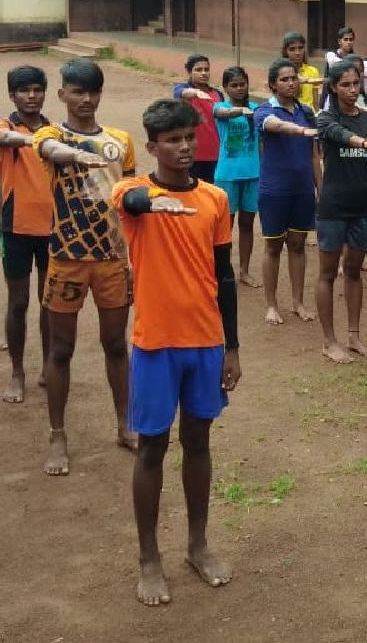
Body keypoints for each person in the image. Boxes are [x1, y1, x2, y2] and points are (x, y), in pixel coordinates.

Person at [112, 99, 240, 607]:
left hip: (206, 341)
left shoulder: (214, 199)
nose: (183, 147)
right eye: (172, 140)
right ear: (152, 147)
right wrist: (156, 201)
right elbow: (133, 201)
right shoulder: (130, 193)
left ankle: (198, 544)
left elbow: (224, 275)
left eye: (189, 137)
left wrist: (232, 346)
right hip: (155, 344)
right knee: (152, 447)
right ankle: (149, 558)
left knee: (199, 441)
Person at [33, 58, 138, 477]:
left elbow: (128, 190)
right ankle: (57, 435)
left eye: (93, 91)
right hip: (67, 258)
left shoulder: (121, 140)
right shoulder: (50, 133)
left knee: (116, 344)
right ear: (62, 94)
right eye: (77, 91)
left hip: (113, 258)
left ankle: (125, 423)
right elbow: (49, 151)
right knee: (61, 350)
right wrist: (79, 153)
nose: (86, 99)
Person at [0, 66, 54, 403]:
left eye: (37, 90)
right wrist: (36, 141)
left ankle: (46, 366)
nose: (31, 96)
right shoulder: (4, 126)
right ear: (12, 95)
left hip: (53, 228)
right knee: (18, 302)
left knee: (49, 303)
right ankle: (17, 371)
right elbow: (2, 138)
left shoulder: (57, 130)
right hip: (16, 228)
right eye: (23, 90)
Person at [313, 60, 367, 363]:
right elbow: (336, 134)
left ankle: (354, 337)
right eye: (345, 84)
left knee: (354, 272)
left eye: (356, 83)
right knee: (328, 273)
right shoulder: (325, 118)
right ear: (333, 87)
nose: (353, 90)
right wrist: (360, 141)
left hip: (364, 208)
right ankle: (329, 341)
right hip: (333, 207)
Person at [255, 58, 320, 326]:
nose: (291, 83)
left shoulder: (306, 111)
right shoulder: (263, 110)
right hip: (274, 191)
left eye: (294, 78)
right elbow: (274, 125)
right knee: (273, 247)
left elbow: (315, 155)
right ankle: (271, 305)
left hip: (303, 190)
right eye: (284, 79)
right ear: (272, 84)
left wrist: (321, 189)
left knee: (298, 246)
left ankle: (298, 303)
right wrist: (302, 130)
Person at [213, 67, 261, 288]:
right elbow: (222, 114)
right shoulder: (220, 107)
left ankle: (244, 270)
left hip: (253, 174)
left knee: (247, 224)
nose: (239, 88)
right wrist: (241, 112)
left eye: (243, 84)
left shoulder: (256, 108)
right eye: (234, 85)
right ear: (225, 88)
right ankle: (222, 271)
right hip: (227, 175)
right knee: (225, 226)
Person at [172, 54, 222, 183]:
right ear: (189, 72)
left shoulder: (217, 94)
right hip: (192, 155)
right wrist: (196, 93)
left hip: (216, 155)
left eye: (206, 69)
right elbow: (181, 93)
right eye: (198, 70)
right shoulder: (181, 89)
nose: (203, 73)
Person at [281, 32, 324, 113]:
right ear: (285, 51)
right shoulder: (281, 73)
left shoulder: (313, 71)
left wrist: (318, 116)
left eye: (300, 48)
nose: (297, 53)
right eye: (292, 49)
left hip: (310, 116)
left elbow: (315, 103)